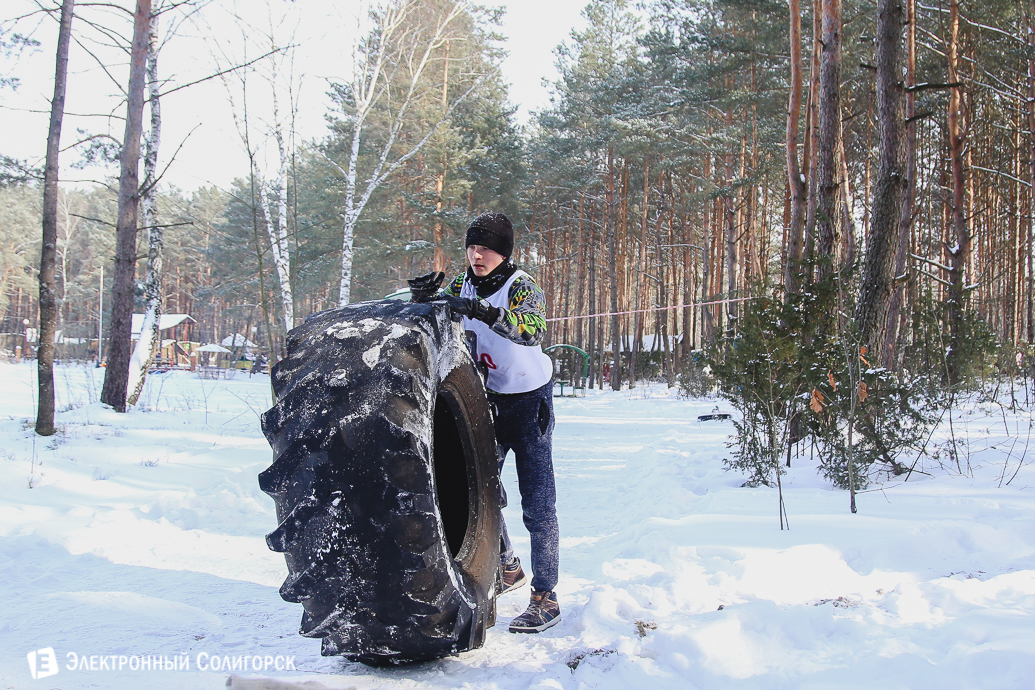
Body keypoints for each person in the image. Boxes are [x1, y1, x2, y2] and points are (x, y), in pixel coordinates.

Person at [408, 211, 561, 634]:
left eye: (487, 248)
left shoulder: (521, 285)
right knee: (480, 490)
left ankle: (546, 597)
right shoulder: (462, 282)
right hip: (488, 400)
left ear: (504, 252)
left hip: (529, 403)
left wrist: (480, 310)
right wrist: (423, 299)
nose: (477, 255)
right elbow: (442, 313)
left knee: (538, 504)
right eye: (473, 247)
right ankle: (509, 566)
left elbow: (531, 330)